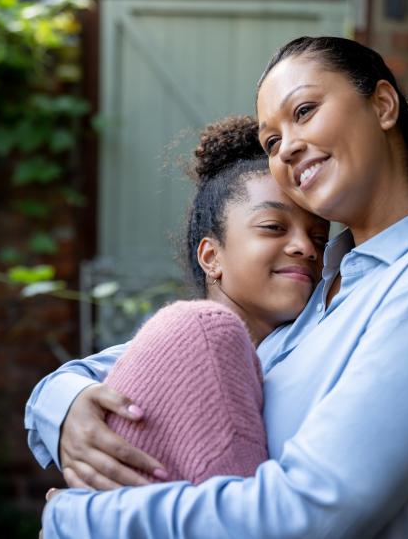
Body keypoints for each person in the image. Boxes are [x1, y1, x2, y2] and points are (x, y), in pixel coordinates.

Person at [29, 36, 408, 538]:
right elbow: (161, 359)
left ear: (383, 105)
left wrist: (80, 517)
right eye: (271, 142)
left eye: (304, 111)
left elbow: (309, 513)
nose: (289, 146)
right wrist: (64, 406)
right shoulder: (327, 285)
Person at [27, 115, 329, 486]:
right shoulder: (190, 337)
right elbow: (71, 381)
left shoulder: (322, 342)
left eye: (320, 238)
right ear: (211, 256)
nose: (307, 248)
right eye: (273, 227)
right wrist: (67, 404)